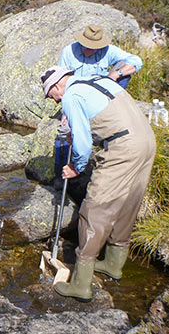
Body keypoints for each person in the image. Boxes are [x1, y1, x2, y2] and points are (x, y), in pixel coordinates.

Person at [40, 65, 156, 301]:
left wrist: (75, 167)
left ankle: (81, 285)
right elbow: (107, 120)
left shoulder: (71, 96)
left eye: (50, 95)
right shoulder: (98, 80)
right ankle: (113, 264)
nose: (52, 101)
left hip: (123, 148)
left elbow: (82, 145)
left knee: (95, 208)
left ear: (56, 86)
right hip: (146, 141)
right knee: (127, 202)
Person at [53, 24, 144, 189]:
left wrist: (116, 74)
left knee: (124, 73)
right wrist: (67, 111)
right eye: (86, 46)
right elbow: (60, 79)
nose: (88, 50)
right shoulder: (69, 52)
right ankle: (62, 174)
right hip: (76, 100)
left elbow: (136, 61)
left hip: (99, 100)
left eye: (93, 47)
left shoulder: (108, 50)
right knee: (65, 132)